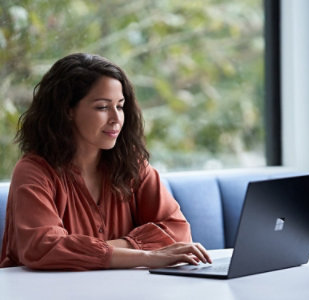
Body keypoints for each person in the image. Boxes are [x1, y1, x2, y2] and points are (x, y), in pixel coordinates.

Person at [0, 53, 211, 270]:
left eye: (120, 106)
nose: (116, 118)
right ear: (67, 110)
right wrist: (147, 256)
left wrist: (96, 250)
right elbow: (43, 248)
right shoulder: (34, 171)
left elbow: (178, 230)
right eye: (102, 107)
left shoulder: (132, 165)